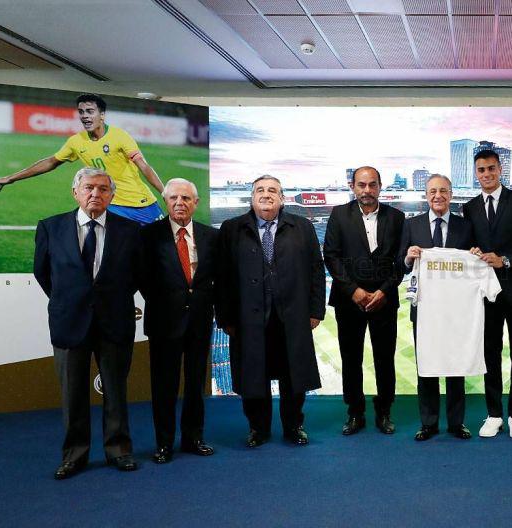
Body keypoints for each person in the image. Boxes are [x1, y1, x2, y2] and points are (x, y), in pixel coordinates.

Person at [34, 167, 142, 479]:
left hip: (114, 322)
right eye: (89, 188)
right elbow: (43, 273)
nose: (96, 194)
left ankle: (119, 451)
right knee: (73, 395)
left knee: (116, 392)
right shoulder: (50, 228)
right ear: (76, 192)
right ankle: (74, 456)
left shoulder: (129, 230)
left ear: (112, 195)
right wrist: (71, 300)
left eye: (103, 189)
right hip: (70, 323)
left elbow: (136, 275)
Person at [216, 175, 324, 448]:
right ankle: (257, 429)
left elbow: (315, 271)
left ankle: (293, 426)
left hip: (291, 315)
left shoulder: (302, 227)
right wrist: (225, 317)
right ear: (252, 197)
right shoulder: (232, 228)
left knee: (294, 376)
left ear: (282, 198)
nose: (266, 195)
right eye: (260, 190)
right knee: (253, 375)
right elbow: (223, 276)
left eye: (273, 191)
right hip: (248, 318)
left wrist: (315, 310)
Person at [0, 93, 166, 224]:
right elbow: (51, 162)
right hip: (110, 205)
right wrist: (11, 178)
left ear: (102, 114)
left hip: (142, 204)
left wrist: (164, 192)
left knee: (161, 250)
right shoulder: (76, 142)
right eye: (81, 112)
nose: (84, 116)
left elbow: (144, 166)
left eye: (90, 111)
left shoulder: (120, 136)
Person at [139, 178, 218, 463]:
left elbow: (216, 279)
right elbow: (143, 279)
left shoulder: (211, 236)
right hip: (164, 322)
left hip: (199, 322)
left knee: (196, 385)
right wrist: (166, 303)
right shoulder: (149, 236)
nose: (179, 203)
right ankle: (163, 444)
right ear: (165, 201)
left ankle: (193, 438)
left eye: (185, 198)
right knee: (164, 386)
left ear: (196, 203)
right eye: (173, 198)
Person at [462, 149, 512, 439]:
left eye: (491, 168)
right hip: (485, 295)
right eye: (481, 170)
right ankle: (494, 414)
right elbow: (467, 248)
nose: (486, 174)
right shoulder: (469, 208)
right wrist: (471, 252)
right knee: (490, 355)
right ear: (476, 173)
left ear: (500, 169)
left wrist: (504, 260)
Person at [324, 166, 405, 435]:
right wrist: (354, 291)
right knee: (351, 359)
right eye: (361, 185)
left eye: (372, 185)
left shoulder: (397, 217)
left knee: (385, 358)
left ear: (381, 186)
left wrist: (383, 290)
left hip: (384, 300)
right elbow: (332, 256)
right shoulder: (338, 214)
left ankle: (384, 412)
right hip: (350, 301)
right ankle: (355, 413)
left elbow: (401, 262)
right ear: (352, 186)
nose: (367, 190)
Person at [399, 174, 474, 441]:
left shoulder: (466, 227)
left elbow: (472, 266)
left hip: (457, 311)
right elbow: (400, 264)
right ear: (426, 195)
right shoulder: (412, 225)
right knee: (427, 366)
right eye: (432, 191)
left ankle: (456, 423)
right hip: (424, 309)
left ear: (451, 194)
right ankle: (428, 423)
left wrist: (475, 255)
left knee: (456, 365)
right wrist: (408, 257)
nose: (437, 196)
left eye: (443, 190)